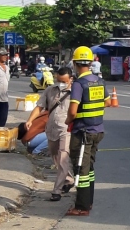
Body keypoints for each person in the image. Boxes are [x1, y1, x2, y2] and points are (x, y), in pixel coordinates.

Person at [66, 46, 107, 216]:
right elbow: (107, 102)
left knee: (81, 169)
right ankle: (88, 202)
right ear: (90, 62)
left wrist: (67, 121)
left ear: (75, 63)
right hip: (97, 130)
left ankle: (81, 207)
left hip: (82, 131)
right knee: (89, 168)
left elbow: (73, 111)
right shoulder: (99, 81)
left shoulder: (79, 84)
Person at [29, 65, 74, 201]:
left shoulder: (76, 92)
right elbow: (40, 107)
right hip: (51, 128)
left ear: (71, 79)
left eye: (64, 81)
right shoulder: (49, 90)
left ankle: (56, 191)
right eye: (58, 80)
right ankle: (69, 180)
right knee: (55, 158)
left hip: (66, 130)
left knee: (62, 158)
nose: (61, 84)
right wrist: (30, 120)